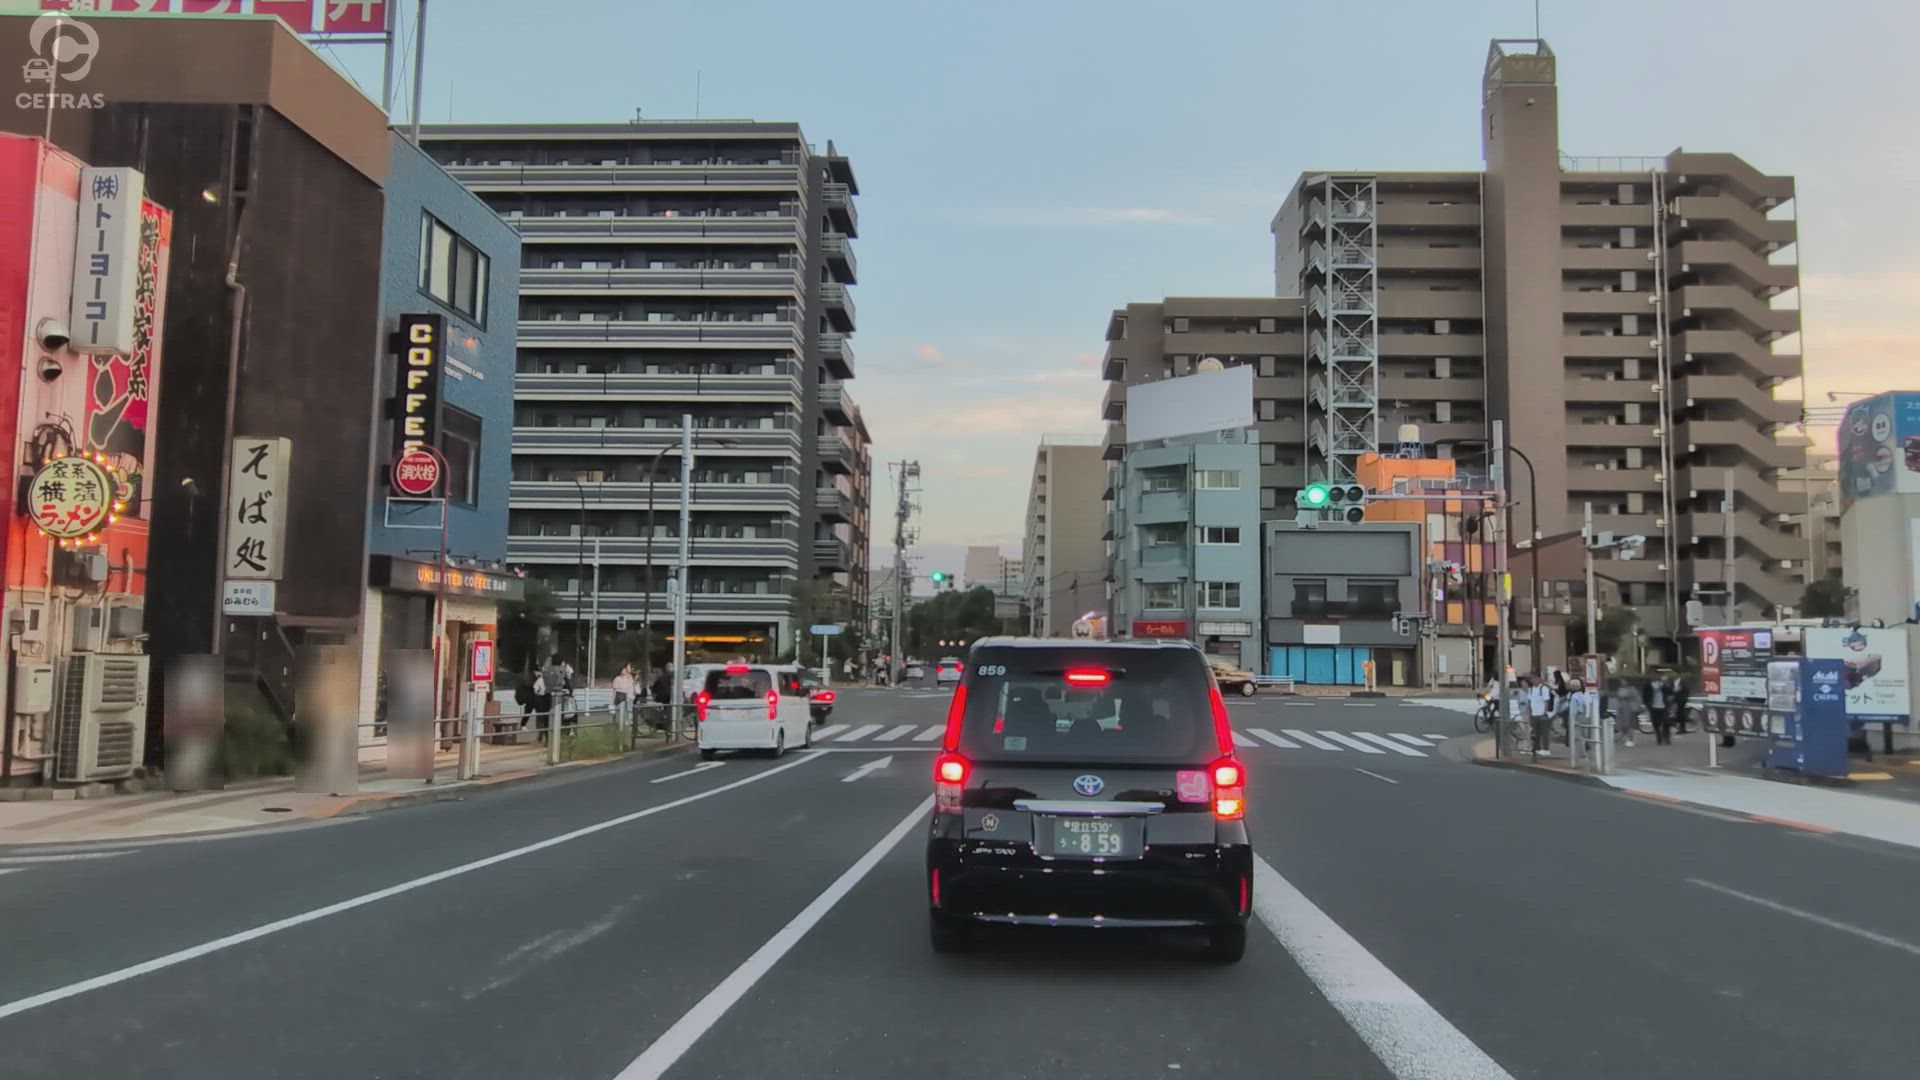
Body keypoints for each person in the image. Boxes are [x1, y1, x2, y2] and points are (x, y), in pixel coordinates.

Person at [1527, 676, 1553, 757]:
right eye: (1532, 678)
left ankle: (1546, 749)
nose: (1533, 680)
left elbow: (1546, 701)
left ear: (1539, 679)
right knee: (1535, 733)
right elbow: (1529, 702)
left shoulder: (1543, 688)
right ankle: (1537, 748)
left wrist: (1544, 712)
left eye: (1535, 678)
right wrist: (1529, 713)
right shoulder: (1531, 689)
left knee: (1544, 733)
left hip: (1542, 714)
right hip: (1534, 714)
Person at [1647, 674, 1672, 745]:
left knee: (1666, 722)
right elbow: (1645, 695)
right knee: (1655, 723)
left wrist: (1664, 684)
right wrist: (1648, 704)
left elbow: (1670, 691)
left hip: (1663, 707)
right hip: (1653, 707)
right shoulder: (1648, 686)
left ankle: (1667, 738)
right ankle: (1659, 737)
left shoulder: (1663, 686)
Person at [612, 664, 636, 731]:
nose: (624, 671)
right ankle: (620, 728)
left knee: (629, 712)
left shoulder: (629, 678)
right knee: (621, 713)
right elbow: (614, 691)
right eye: (623, 670)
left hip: (628, 697)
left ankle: (626, 726)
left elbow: (632, 687)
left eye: (625, 670)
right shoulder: (617, 679)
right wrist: (613, 701)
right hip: (621, 698)